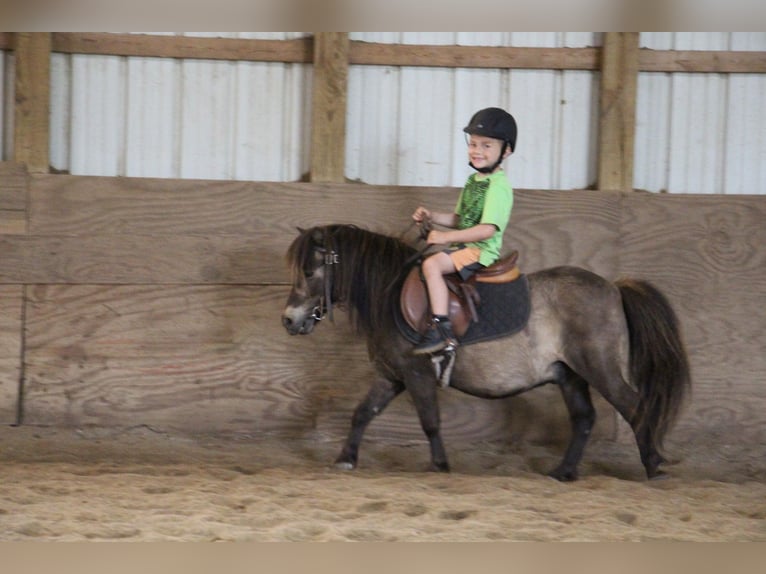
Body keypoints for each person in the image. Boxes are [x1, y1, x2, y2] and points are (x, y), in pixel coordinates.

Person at [411, 107, 516, 355]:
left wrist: (444, 238)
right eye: (473, 144)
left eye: (486, 145)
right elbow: (461, 220)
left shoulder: (498, 187)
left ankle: (441, 327)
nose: (477, 151)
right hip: (465, 246)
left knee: (432, 265)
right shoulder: (473, 181)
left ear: (506, 151)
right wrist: (432, 217)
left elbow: (486, 230)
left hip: (481, 251)